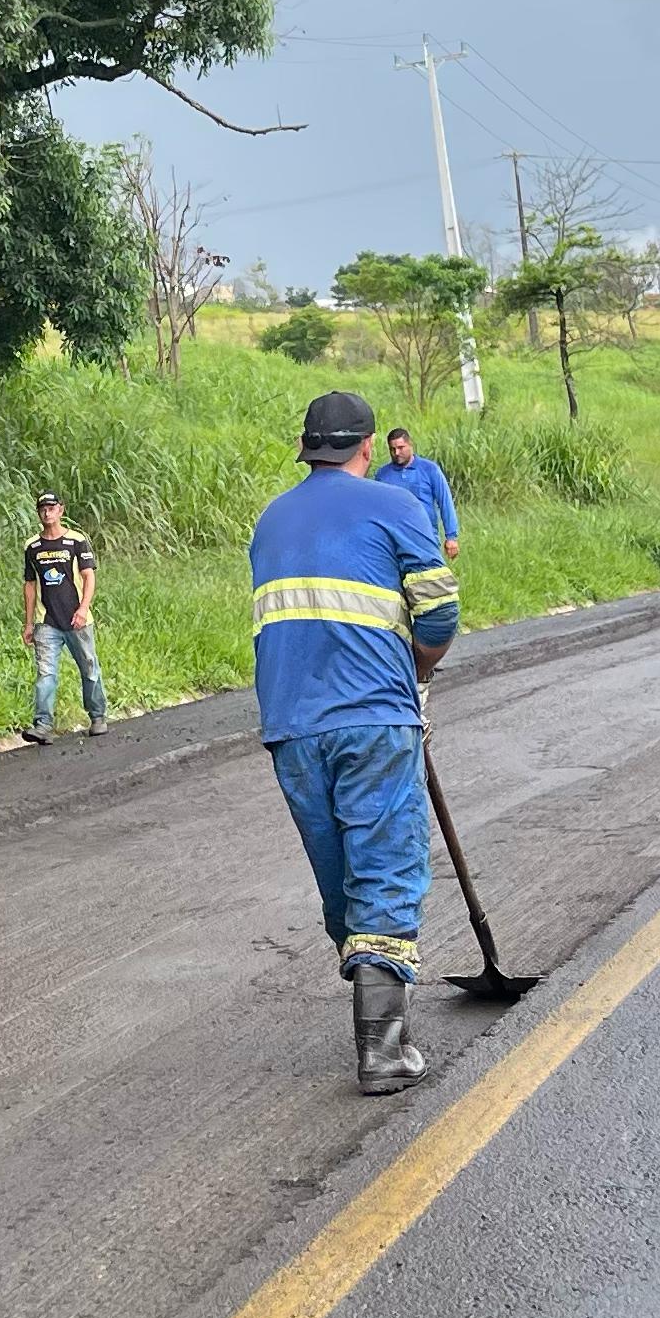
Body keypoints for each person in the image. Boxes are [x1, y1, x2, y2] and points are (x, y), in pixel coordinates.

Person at [252, 390, 462, 1095]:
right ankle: (382, 1050)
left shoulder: (270, 520)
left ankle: (375, 1003)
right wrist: (419, 672)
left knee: (341, 876)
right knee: (387, 867)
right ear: (368, 447)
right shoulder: (394, 504)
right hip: (374, 718)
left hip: (292, 729)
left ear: (307, 447)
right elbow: (439, 611)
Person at [18, 490, 106, 743]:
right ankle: (42, 725)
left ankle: (98, 716)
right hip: (47, 622)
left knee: (89, 669)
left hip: (77, 620)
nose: (47, 512)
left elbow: (89, 576)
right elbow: (29, 584)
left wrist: (83, 609)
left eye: (51, 507)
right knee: (45, 674)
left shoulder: (77, 541)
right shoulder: (32, 546)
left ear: (61, 510)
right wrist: (28, 623)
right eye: (43, 508)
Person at [372, 426, 461, 562]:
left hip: (426, 537)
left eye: (401, 447)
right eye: (392, 449)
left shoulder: (430, 470)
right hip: (394, 541)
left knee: (428, 580)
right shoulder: (383, 475)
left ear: (410, 445)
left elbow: (445, 502)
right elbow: (377, 509)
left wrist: (451, 537)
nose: (396, 453)